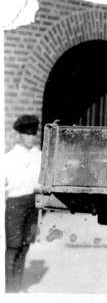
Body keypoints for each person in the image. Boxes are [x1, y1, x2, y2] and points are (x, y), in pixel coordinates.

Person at [5, 115, 42, 293]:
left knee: (26, 244)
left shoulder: (38, 155)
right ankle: (9, 288)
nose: (30, 137)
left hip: (32, 203)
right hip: (15, 203)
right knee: (14, 245)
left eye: (33, 134)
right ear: (19, 134)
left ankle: (18, 286)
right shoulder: (9, 157)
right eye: (27, 134)